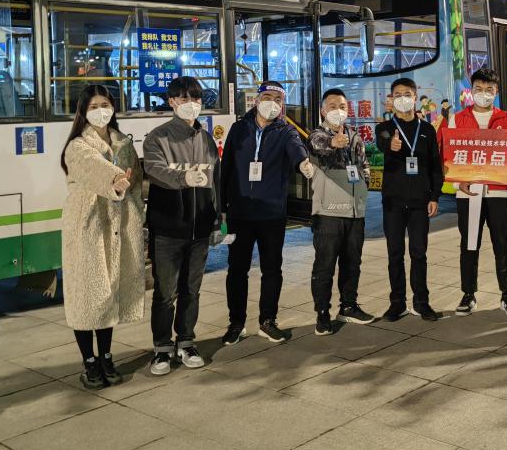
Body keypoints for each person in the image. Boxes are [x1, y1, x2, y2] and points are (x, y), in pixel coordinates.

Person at [60, 84, 145, 389]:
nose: (101, 111)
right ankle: (89, 361)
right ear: (83, 112)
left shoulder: (123, 142)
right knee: (87, 297)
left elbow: (136, 180)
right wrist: (116, 179)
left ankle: (107, 357)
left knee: (108, 295)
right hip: (87, 227)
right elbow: (95, 168)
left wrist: (137, 211)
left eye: (105, 105)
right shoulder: (77, 146)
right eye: (94, 106)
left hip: (118, 224)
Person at [220, 81, 314, 344]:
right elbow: (226, 168)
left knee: (272, 269)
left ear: (282, 104)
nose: (272, 102)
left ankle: (268, 321)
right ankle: (236, 323)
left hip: (272, 214)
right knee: (236, 270)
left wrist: (303, 162)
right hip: (240, 213)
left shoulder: (286, 131)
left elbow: (296, 148)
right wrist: (222, 207)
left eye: (278, 99)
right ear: (257, 100)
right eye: (267, 97)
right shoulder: (239, 128)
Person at [142, 76, 221, 376]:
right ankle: (162, 348)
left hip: (199, 229)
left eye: (196, 99)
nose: (191, 104)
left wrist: (218, 219)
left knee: (192, 290)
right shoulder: (157, 138)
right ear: (172, 101)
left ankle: (186, 341)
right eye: (185, 98)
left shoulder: (206, 139)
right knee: (165, 293)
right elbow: (154, 170)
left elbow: (215, 181)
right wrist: (183, 178)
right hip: (168, 230)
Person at [448, 68, 507, 316]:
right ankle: (468, 294)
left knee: (503, 245)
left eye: (489, 90)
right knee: (469, 244)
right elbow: (449, 154)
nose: (483, 94)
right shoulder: (457, 119)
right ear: (471, 91)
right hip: (468, 194)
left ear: (496, 92)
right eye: (478, 89)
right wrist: (458, 183)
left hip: (499, 193)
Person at [308, 88, 375, 336]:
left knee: (352, 263)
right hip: (328, 213)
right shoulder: (317, 135)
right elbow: (319, 145)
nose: (339, 111)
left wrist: (364, 187)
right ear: (323, 110)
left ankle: (348, 306)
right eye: (333, 106)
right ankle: (322, 314)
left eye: (343, 106)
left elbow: (364, 166)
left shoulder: (355, 137)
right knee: (324, 265)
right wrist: (333, 142)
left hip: (355, 212)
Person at [375, 77, 443, 322]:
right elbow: (383, 141)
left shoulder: (427, 129)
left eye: (407, 94)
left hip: (419, 202)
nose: (402, 98)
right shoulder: (384, 126)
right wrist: (391, 144)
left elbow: (435, 166)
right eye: (397, 94)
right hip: (393, 202)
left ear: (415, 97)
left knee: (419, 253)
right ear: (391, 99)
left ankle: (421, 303)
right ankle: (397, 303)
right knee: (395, 254)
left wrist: (434, 196)